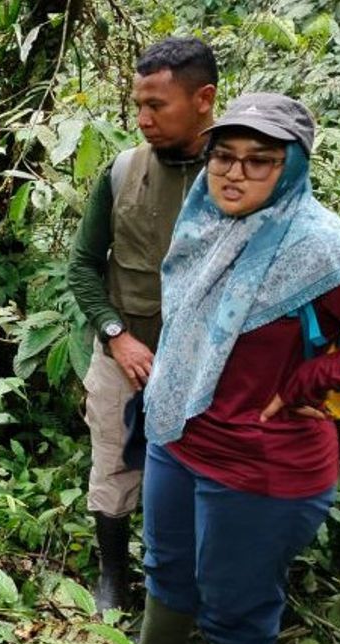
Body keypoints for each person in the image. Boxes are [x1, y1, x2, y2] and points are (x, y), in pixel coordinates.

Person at [130, 93, 340, 644]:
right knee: (167, 572)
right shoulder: (206, 221)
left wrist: (309, 380)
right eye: (224, 156)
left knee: (236, 609)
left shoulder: (317, 244)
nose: (234, 172)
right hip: (178, 437)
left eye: (259, 159)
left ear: (290, 166)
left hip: (259, 464)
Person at [67, 37, 217, 611]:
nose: (143, 119)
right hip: (126, 355)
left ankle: (187, 588)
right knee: (112, 460)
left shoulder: (240, 171)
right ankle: (113, 577)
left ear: (203, 99)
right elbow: (83, 266)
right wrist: (115, 334)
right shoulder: (124, 170)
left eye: (158, 105)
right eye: (138, 105)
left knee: (201, 475)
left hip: (209, 366)